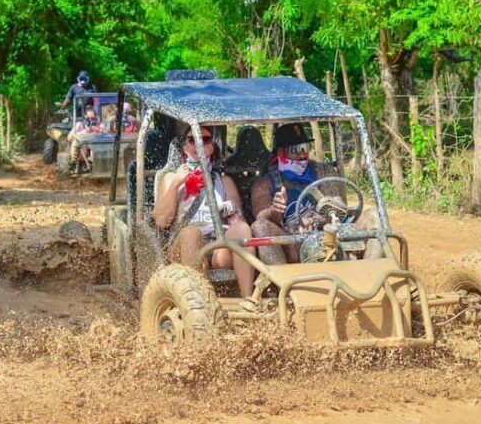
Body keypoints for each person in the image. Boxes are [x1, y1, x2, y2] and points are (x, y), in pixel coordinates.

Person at [250, 122, 381, 264]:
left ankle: (371, 270)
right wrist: (274, 209)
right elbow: (261, 218)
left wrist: (317, 220)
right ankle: (279, 276)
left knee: (374, 215)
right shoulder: (264, 184)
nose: (302, 154)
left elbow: (338, 207)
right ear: (281, 152)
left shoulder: (324, 172)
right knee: (260, 227)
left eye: (306, 147)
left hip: (332, 235)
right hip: (294, 243)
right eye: (296, 149)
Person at [153, 125, 256, 296]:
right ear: (184, 146)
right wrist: (176, 184)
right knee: (191, 233)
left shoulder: (224, 181)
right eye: (192, 140)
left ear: (212, 147)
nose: (198, 145)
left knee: (242, 229)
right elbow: (161, 221)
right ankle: (198, 300)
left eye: (205, 140)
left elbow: (239, 220)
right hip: (183, 245)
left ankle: (248, 299)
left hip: (218, 246)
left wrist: (233, 216)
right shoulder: (170, 178)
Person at [67, 106, 102, 174]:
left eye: (93, 118)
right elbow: (69, 137)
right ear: (85, 117)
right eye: (89, 118)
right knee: (75, 143)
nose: (91, 121)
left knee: (96, 148)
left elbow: (106, 134)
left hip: (96, 147)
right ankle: (74, 165)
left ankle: (96, 167)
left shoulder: (99, 125)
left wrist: (97, 131)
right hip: (82, 148)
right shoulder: (80, 125)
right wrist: (84, 132)